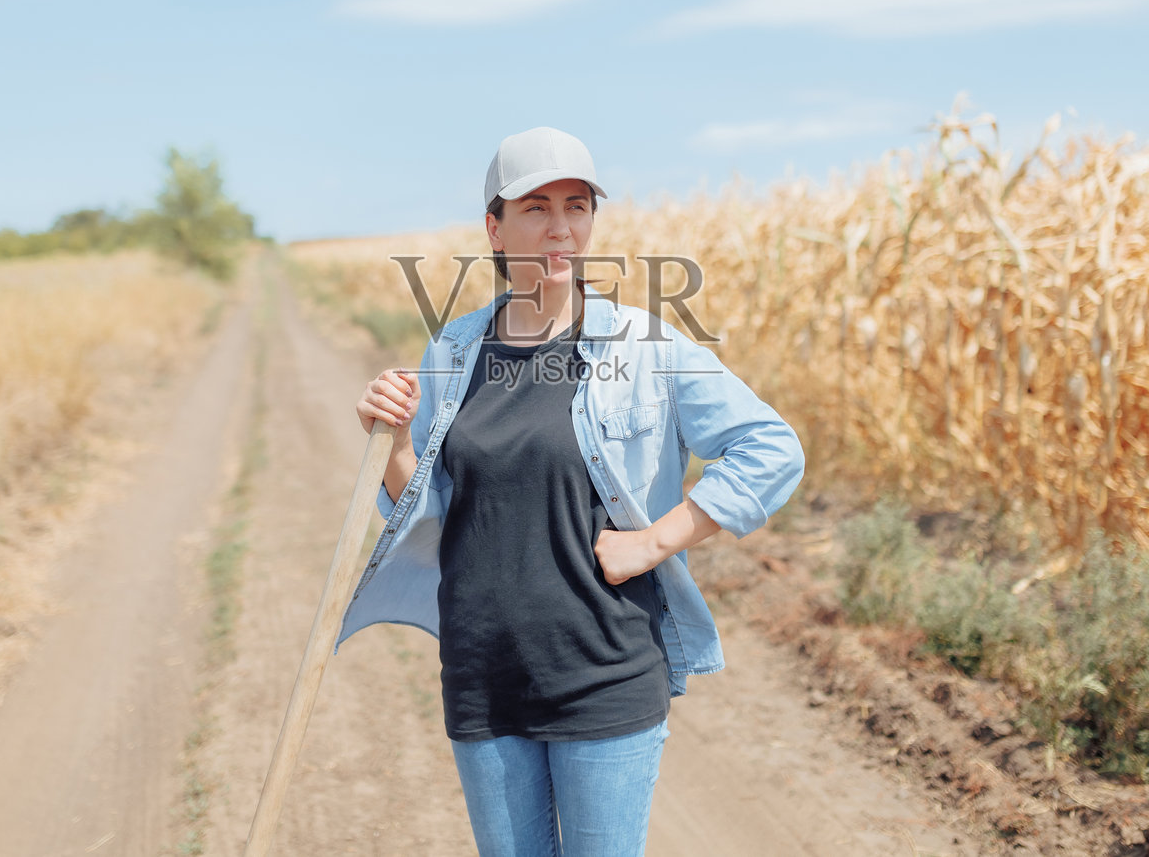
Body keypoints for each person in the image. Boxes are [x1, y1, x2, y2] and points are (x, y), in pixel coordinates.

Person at [342, 126, 805, 856]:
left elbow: (772, 448)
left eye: (576, 205)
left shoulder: (645, 346)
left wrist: (656, 540)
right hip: (483, 671)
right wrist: (396, 442)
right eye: (535, 207)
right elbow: (431, 509)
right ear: (494, 227)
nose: (560, 226)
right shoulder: (455, 350)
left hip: (604, 667)